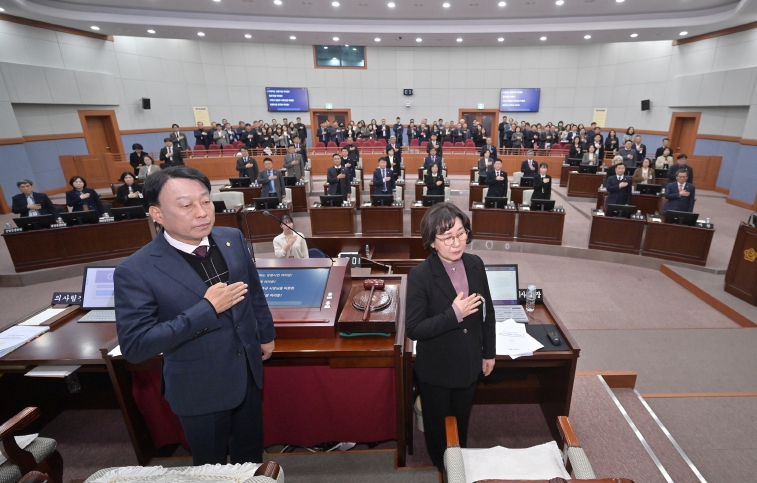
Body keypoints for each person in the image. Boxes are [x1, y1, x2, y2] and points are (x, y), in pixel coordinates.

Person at [114, 166, 274, 466]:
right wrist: (207, 309)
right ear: (157, 214)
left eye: (206, 201)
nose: (202, 213)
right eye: (186, 205)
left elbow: (253, 291)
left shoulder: (231, 238)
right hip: (199, 386)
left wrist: (265, 335)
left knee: (250, 457)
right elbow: (136, 346)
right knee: (210, 468)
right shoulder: (136, 270)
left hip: (247, 372)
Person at [405, 202, 495, 472]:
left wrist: (489, 352)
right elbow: (415, 328)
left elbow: (487, 312)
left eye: (461, 233)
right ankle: (443, 468)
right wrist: (454, 313)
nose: (456, 243)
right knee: (437, 426)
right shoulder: (420, 275)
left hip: (469, 363)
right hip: (437, 370)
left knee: (461, 420)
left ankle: (459, 462)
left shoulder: (475, 263)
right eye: (447, 238)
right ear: (432, 242)